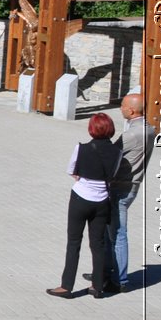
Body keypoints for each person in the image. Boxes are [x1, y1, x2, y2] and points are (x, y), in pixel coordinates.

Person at [47, 112, 123, 299]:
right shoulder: (117, 152)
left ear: (91, 129)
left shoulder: (81, 148)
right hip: (102, 200)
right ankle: (97, 286)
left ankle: (66, 286)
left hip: (81, 198)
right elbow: (113, 175)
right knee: (98, 244)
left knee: (74, 242)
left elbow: (71, 170)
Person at [104, 93, 155, 292]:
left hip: (120, 188)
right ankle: (107, 271)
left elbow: (111, 155)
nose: (121, 109)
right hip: (132, 185)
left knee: (117, 234)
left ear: (132, 110)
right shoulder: (149, 129)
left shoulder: (131, 135)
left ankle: (119, 280)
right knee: (112, 232)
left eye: (123, 106)